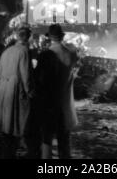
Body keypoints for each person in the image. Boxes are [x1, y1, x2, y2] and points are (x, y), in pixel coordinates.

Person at [35, 24, 78, 159]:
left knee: (47, 136)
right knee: (64, 139)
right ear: (62, 36)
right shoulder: (71, 54)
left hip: (49, 102)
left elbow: (39, 79)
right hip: (64, 101)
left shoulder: (45, 54)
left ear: (50, 37)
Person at [0, 25, 35, 158]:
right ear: (28, 37)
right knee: (16, 122)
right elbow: (26, 74)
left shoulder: (7, 51)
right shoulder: (24, 51)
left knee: (6, 122)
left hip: (4, 89)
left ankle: (6, 151)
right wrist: (29, 91)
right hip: (16, 89)